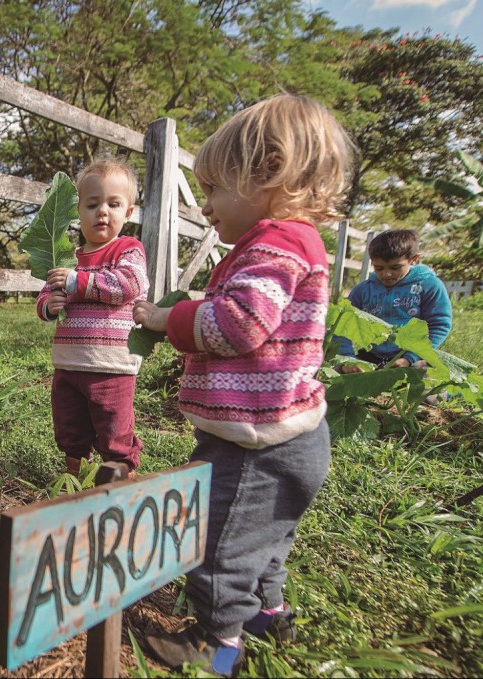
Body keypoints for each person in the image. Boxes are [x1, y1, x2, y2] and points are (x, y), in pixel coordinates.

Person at [132, 94, 354, 676]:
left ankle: (216, 641)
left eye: (213, 191)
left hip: (254, 441)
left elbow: (239, 324)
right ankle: (266, 610)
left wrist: (167, 319)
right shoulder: (292, 244)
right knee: (267, 536)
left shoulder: (275, 243)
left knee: (219, 539)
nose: (206, 206)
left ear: (269, 173)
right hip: (294, 434)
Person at [36, 158, 149, 479]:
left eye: (114, 204)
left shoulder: (128, 250)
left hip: (111, 363)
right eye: (92, 204)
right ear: (78, 211)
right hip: (69, 363)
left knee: (113, 425)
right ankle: (75, 472)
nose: (102, 211)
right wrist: (49, 304)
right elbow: (45, 295)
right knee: (70, 425)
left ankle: (118, 473)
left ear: (128, 212)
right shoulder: (68, 258)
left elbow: (128, 285)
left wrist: (76, 282)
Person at [335, 229, 452, 372]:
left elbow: (439, 325)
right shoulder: (363, 290)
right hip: (372, 355)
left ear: (414, 259)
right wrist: (348, 359)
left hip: (412, 356)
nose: (386, 273)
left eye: (395, 267)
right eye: (379, 268)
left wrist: (410, 358)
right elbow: (342, 326)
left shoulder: (429, 286)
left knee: (426, 381)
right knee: (336, 373)